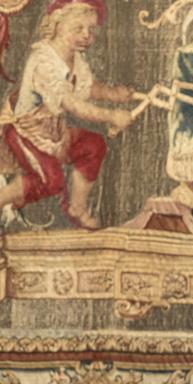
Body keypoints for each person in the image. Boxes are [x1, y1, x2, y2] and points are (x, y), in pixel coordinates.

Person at [0, 0, 135, 228]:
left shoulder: (74, 58)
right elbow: (72, 103)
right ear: (58, 24)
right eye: (79, 28)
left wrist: (113, 94)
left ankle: (77, 208)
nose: (86, 36)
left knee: (94, 146)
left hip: (54, 133)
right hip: (26, 134)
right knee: (51, 181)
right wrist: (110, 116)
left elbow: (87, 87)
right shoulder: (44, 61)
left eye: (91, 30)